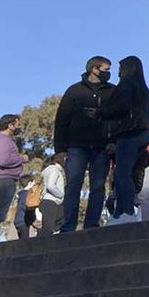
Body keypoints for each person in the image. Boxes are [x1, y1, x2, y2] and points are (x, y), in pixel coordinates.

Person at [87, 56, 149, 225]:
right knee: (125, 172)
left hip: (129, 132)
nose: (117, 72)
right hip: (143, 131)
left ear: (127, 69)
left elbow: (122, 107)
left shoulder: (126, 85)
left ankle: (127, 211)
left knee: (122, 173)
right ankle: (119, 213)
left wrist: (100, 113)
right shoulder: (143, 89)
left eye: (120, 68)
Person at [53, 56, 115, 231]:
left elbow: (117, 118)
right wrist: (60, 149)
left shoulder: (112, 91)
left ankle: (91, 225)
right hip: (76, 147)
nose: (108, 73)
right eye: (105, 69)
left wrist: (113, 141)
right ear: (94, 69)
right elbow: (61, 121)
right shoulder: (74, 91)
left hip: (102, 147)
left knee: (98, 186)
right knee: (73, 185)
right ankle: (68, 226)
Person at [0, 114, 28, 242]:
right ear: (10, 125)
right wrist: (22, 158)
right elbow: (4, 160)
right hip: (4, 181)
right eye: (17, 124)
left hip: (4, 181)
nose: (19, 127)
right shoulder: (4, 140)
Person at [39, 156, 66, 236]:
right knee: (48, 229)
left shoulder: (47, 171)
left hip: (48, 201)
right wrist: (61, 194)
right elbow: (50, 186)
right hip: (51, 201)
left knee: (49, 226)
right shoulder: (54, 170)